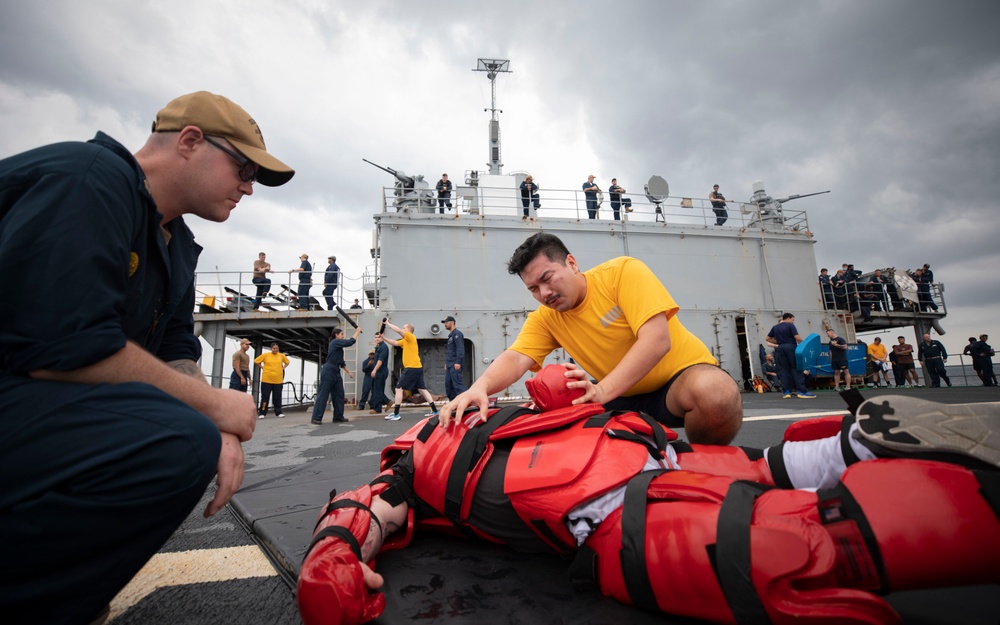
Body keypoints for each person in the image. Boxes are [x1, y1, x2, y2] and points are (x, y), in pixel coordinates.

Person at [297, 364, 1000, 625]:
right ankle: (855, 448)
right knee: (769, 495)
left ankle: (870, 459)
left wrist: (333, 550)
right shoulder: (410, 467)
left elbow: (364, 514)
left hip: (612, 489)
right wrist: (334, 550)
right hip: (623, 476)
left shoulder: (455, 429)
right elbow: (364, 512)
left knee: (776, 528)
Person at [0, 90, 293, 623]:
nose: (249, 187)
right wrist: (214, 409)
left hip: (27, 406)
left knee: (188, 440)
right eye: (244, 167)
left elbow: (176, 348)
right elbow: (61, 348)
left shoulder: (175, 243)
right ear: (189, 141)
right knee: (177, 442)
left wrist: (216, 418)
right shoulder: (88, 180)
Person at [439, 233, 743, 444]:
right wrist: (479, 388)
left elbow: (656, 340)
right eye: (533, 288)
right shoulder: (547, 316)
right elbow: (517, 357)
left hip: (676, 380)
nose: (543, 294)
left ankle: (705, 461)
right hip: (618, 395)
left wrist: (601, 393)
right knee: (545, 411)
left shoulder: (622, 273)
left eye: (547, 278)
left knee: (716, 394)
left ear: (571, 263)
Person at [382, 321, 438, 421]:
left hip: (412, 368)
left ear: (408, 330)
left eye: (404, 328)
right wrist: (383, 338)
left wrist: (387, 323)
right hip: (417, 368)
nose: (403, 329)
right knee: (422, 390)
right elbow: (395, 343)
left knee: (398, 389)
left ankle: (396, 414)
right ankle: (434, 410)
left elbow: (398, 331)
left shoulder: (410, 337)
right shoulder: (406, 341)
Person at [312, 326, 361, 424]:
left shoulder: (338, 347)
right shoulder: (334, 342)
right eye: (342, 334)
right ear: (336, 335)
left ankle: (338, 416)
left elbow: (341, 362)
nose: (343, 336)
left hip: (336, 370)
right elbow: (350, 342)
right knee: (323, 394)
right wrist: (357, 332)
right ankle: (316, 418)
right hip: (329, 369)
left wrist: (349, 372)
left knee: (339, 394)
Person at [766, 313, 817, 400]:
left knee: (784, 370)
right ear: (788, 318)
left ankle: (787, 392)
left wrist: (778, 342)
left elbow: (767, 338)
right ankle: (802, 391)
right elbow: (797, 337)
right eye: (793, 320)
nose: (793, 321)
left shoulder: (775, 327)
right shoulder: (790, 326)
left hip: (780, 349)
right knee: (796, 369)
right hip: (791, 347)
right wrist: (803, 345)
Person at [255, 343, 290, 418]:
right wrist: (262, 367)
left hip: (278, 380)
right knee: (265, 396)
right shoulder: (266, 355)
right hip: (266, 379)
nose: (275, 350)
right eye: (274, 348)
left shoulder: (281, 356)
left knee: (277, 396)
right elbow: (256, 361)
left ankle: (278, 412)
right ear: (271, 348)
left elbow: (287, 362)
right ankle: (262, 412)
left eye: (277, 348)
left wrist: (283, 368)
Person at [442, 315, 466, 401]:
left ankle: (465, 402)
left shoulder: (457, 334)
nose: (445, 324)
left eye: (446, 322)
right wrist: (446, 362)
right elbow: (451, 351)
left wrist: (458, 362)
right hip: (450, 364)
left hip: (454, 364)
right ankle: (453, 403)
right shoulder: (451, 335)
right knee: (449, 386)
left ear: (452, 323)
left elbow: (460, 349)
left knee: (458, 386)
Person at [369, 333, 391, 414]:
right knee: (376, 389)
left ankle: (377, 409)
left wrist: (374, 370)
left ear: (382, 337)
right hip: (379, 371)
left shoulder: (383, 347)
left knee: (377, 390)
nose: (377, 339)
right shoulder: (379, 346)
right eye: (376, 337)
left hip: (381, 372)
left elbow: (380, 360)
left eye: (379, 337)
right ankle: (388, 401)